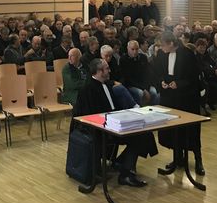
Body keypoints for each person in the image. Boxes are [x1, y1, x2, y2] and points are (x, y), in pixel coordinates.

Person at [74, 58, 158, 187]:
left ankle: (122, 165)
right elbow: (89, 116)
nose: (110, 70)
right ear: (99, 71)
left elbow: (114, 108)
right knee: (139, 137)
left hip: (114, 124)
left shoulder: (107, 85)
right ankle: (126, 172)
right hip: (101, 130)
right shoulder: (88, 90)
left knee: (143, 133)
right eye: (107, 68)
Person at [153, 32, 204, 176]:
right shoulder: (162, 54)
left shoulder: (187, 54)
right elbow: (158, 72)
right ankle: (177, 159)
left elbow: (194, 77)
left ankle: (198, 160)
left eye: (163, 45)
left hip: (186, 97)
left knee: (191, 130)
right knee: (173, 129)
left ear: (171, 43)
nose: (161, 48)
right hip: (170, 97)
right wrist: (161, 81)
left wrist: (180, 84)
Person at [120, 40, 160, 106]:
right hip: (131, 85)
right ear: (128, 48)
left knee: (154, 92)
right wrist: (143, 89)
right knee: (140, 93)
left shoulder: (143, 57)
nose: (135, 51)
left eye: (136, 49)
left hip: (144, 84)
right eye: (132, 49)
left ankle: (153, 109)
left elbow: (147, 74)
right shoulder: (123, 59)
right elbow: (128, 78)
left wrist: (146, 87)